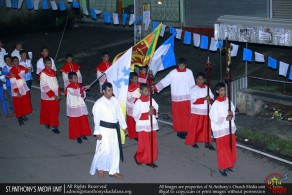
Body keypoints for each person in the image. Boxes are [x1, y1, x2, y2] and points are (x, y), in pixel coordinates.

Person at [90, 82, 127, 179]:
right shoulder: (99, 103)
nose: (111, 92)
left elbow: (119, 114)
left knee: (115, 151)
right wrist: (97, 132)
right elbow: (96, 119)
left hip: (114, 130)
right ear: (103, 91)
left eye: (111, 90)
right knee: (104, 150)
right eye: (109, 90)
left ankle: (113, 170)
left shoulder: (115, 100)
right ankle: (100, 168)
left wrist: (124, 127)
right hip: (103, 130)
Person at [154, 58, 195, 139]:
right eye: (180, 65)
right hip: (177, 99)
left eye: (183, 65)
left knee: (187, 115)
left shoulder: (189, 72)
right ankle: (180, 131)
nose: (182, 67)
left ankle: (186, 129)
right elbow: (166, 81)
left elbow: (192, 84)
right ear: (178, 65)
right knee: (179, 115)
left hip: (187, 98)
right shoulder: (173, 73)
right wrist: (156, 87)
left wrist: (194, 94)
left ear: (185, 65)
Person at [209, 82, 237, 176]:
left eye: (224, 90)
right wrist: (225, 118)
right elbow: (213, 116)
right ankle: (222, 167)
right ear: (217, 91)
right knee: (222, 149)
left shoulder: (228, 100)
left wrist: (232, 113)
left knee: (230, 147)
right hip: (221, 130)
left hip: (229, 129)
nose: (223, 92)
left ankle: (228, 164)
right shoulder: (215, 104)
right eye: (221, 90)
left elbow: (233, 109)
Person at [185, 72, 215, 150]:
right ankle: (193, 141)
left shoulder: (207, 88)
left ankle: (207, 142)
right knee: (195, 127)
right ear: (196, 80)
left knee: (206, 128)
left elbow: (212, 97)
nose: (200, 81)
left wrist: (210, 100)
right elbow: (193, 100)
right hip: (196, 112)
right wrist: (204, 99)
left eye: (202, 79)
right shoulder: (193, 88)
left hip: (206, 111)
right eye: (198, 79)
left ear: (204, 80)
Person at [133, 83, 159, 168]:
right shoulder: (138, 102)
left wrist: (154, 111)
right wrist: (147, 114)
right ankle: (138, 157)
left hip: (151, 124)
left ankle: (149, 160)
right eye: (145, 90)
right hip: (143, 126)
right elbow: (135, 115)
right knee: (144, 144)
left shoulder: (151, 99)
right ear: (140, 91)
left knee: (152, 143)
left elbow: (156, 107)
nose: (147, 92)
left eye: (148, 90)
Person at [65, 72, 91, 144]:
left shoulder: (79, 85)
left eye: (77, 77)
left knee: (82, 120)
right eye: (75, 78)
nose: (77, 79)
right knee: (76, 121)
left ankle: (83, 133)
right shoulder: (69, 87)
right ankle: (78, 136)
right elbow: (75, 92)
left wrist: (83, 92)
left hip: (80, 105)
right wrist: (83, 88)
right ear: (70, 79)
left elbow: (82, 94)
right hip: (74, 106)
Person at [7, 57, 32, 125]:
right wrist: (17, 92)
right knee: (18, 104)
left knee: (23, 103)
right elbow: (13, 82)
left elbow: (26, 70)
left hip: (23, 87)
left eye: (17, 61)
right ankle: (19, 118)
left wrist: (29, 68)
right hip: (17, 89)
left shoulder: (21, 67)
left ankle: (23, 115)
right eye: (15, 61)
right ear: (12, 62)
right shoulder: (11, 70)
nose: (16, 62)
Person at [39, 57, 61, 134]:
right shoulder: (43, 74)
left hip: (55, 94)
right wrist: (53, 95)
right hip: (48, 96)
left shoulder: (53, 72)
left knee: (55, 111)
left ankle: (52, 124)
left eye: (50, 63)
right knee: (49, 111)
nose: (50, 64)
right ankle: (52, 125)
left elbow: (56, 83)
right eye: (48, 63)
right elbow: (45, 86)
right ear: (44, 64)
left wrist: (58, 93)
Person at [126, 72, 140, 140]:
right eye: (135, 79)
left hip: (139, 106)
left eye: (137, 78)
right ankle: (133, 135)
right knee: (132, 121)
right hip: (132, 106)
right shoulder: (128, 88)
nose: (136, 80)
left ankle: (139, 133)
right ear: (131, 80)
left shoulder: (139, 85)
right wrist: (137, 100)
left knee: (138, 120)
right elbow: (128, 98)